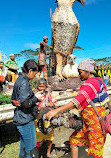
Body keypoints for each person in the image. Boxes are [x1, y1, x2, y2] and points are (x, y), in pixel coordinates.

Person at [46, 58, 110, 158]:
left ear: (88, 71)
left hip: (95, 125)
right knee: (73, 140)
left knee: (96, 152)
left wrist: (55, 111)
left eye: (80, 72)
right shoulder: (97, 81)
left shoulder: (91, 83)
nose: (78, 75)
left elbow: (77, 101)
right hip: (87, 124)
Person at [11, 59, 43, 158]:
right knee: (31, 150)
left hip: (20, 118)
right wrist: (36, 98)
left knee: (24, 149)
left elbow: (16, 100)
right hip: (25, 120)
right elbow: (25, 103)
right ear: (30, 71)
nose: (35, 76)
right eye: (35, 73)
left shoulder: (19, 79)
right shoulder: (24, 82)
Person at [34, 78, 57, 158]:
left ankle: (48, 153)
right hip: (38, 118)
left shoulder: (48, 94)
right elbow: (32, 105)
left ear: (46, 86)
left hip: (47, 118)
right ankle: (38, 154)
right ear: (37, 86)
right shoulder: (35, 95)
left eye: (43, 86)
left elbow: (54, 101)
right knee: (38, 135)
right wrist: (37, 107)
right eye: (40, 86)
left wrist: (52, 103)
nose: (42, 88)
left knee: (49, 136)